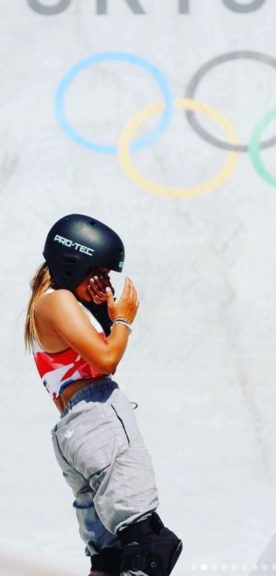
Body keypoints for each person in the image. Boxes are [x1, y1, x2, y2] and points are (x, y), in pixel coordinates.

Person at [24, 214, 183, 576]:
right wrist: (125, 319)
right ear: (75, 262)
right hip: (98, 419)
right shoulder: (58, 300)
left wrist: (103, 311)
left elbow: (94, 353)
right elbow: (107, 358)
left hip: (76, 432)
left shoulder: (49, 304)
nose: (106, 282)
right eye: (100, 272)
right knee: (150, 546)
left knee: (109, 559)